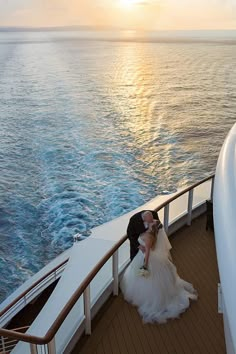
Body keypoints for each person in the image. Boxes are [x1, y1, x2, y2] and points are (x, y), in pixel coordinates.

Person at [120, 211, 197, 323]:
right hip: (145, 252)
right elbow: (131, 234)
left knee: (148, 280)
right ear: (144, 220)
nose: (151, 222)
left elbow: (148, 252)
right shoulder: (136, 222)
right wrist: (138, 246)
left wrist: (145, 265)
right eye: (149, 222)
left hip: (147, 255)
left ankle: (149, 299)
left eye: (152, 221)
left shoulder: (149, 234)